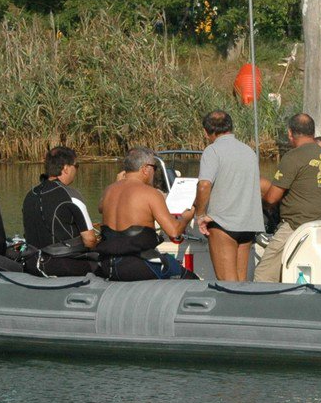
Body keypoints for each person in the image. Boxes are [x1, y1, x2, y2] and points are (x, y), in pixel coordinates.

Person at [253, 113, 321, 283]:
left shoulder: (293, 156)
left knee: (262, 275)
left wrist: (259, 202)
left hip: (297, 225)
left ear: (290, 133)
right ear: (312, 132)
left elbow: (271, 198)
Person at [95, 147, 196, 281]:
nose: (154, 173)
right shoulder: (150, 193)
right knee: (190, 278)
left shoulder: (109, 191)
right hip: (138, 266)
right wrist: (186, 218)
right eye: (155, 168)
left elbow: (101, 208)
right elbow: (174, 232)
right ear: (145, 169)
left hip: (109, 265)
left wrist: (118, 181)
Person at [192, 109, 264, 281]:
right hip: (247, 225)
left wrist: (200, 215)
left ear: (206, 132)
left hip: (223, 225)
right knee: (240, 283)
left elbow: (204, 185)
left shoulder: (212, 151)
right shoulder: (249, 152)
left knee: (227, 285)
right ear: (231, 127)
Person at [21, 145, 98, 277]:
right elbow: (90, 240)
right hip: (60, 265)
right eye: (77, 165)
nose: (77, 170)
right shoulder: (71, 195)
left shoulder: (30, 194)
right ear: (66, 168)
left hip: (32, 263)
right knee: (104, 264)